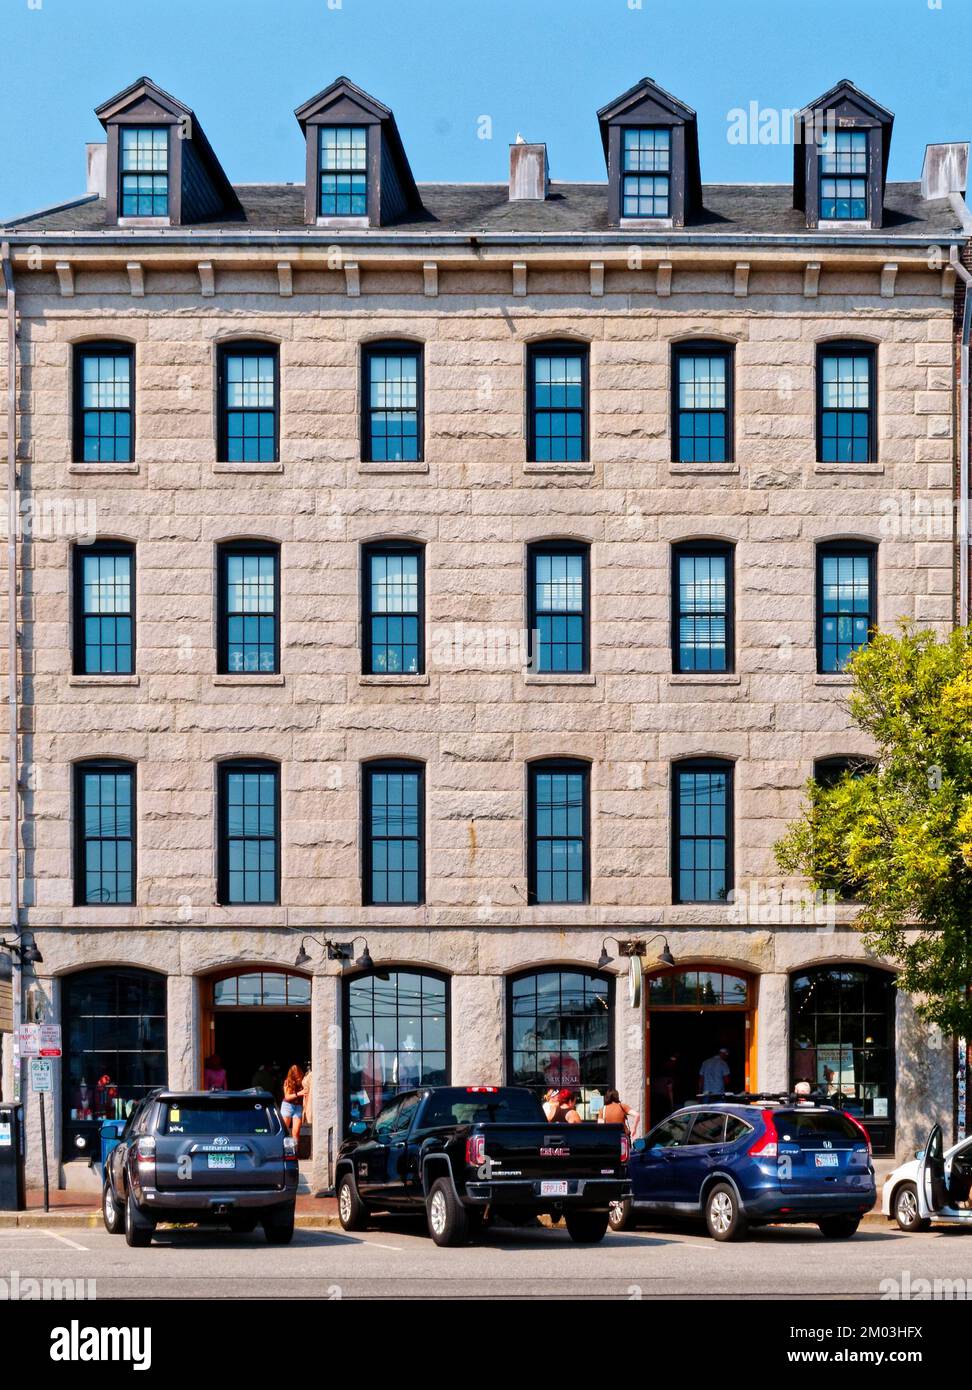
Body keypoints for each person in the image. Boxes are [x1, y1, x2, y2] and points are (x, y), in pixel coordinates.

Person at [281, 1064, 305, 1143]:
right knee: (285, 1130)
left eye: (298, 1073)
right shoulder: (287, 1082)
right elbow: (287, 1096)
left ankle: (295, 1151)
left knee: (296, 1131)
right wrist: (299, 1093)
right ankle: (282, 1150)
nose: (297, 1075)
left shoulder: (303, 1081)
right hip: (287, 1105)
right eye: (295, 1073)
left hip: (298, 1106)